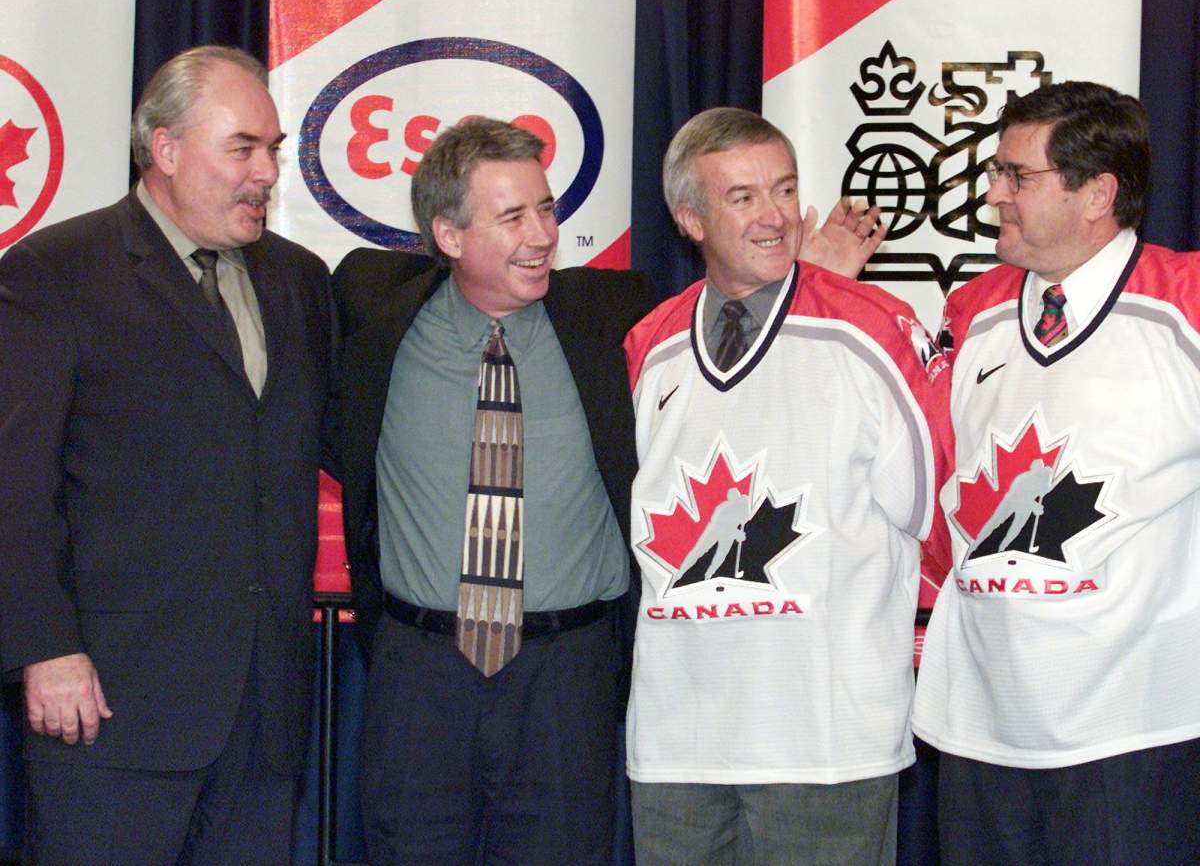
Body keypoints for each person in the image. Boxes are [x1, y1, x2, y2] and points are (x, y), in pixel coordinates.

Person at [0, 45, 334, 864]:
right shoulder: (56, 273)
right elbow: (15, 484)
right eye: (242, 148)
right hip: (110, 705)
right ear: (166, 149)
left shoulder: (299, 279)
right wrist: (44, 648)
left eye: (272, 149)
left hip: (265, 714)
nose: (266, 172)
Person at [623, 107, 951, 864]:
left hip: (825, 743)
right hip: (676, 745)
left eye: (785, 189)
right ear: (690, 219)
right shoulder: (648, 346)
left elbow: (936, 513)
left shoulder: (873, 330)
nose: (775, 216)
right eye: (742, 197)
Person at [326, 117, 658, 864]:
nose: (542, 235)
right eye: (512, 217)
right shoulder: (372, 313)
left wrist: (809, 279)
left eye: (546, 208)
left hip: (565, 677)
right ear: (448, 235)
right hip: (419, 676)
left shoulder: (616, 316)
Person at [913, 80, 1200, 864]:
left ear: (1098, 194)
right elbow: (932, 490)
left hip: (1133, 731)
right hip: (979, 722)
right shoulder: (970, 312)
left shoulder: (1184, 305)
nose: (993, 194)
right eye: (996, 172)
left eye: (1018, 176)